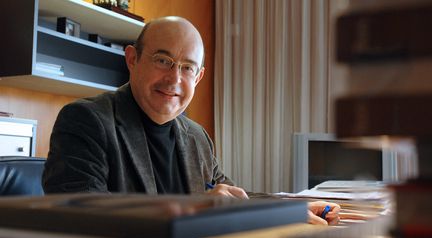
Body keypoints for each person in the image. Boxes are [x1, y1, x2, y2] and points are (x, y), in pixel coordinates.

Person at [42, 16, 339, 225]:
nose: (174, 78)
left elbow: (234, 195)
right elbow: (80, 214)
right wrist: (198, 209)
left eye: (187, 68)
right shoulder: (86, 120)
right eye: (162, 60)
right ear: (132, 59)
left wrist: (290, 208)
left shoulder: (196, 136)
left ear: (198, 77)